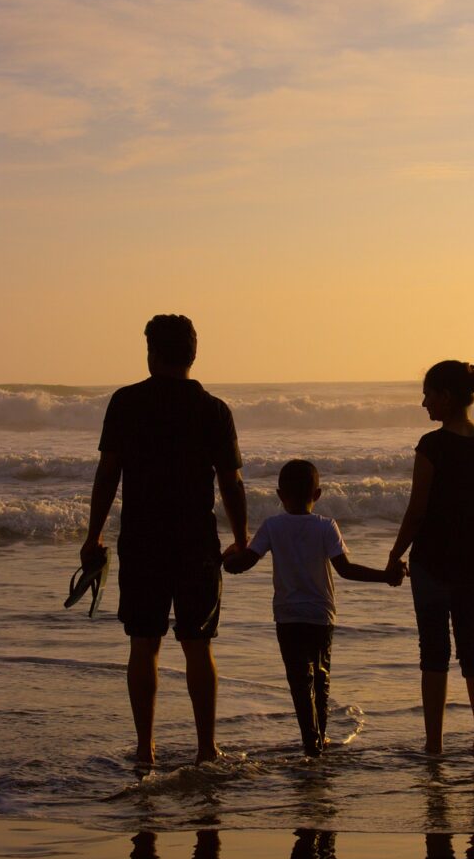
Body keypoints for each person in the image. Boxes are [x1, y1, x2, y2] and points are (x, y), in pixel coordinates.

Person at [80, 314, 248, 766]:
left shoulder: (126, 403)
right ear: (193, 354)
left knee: (144, 643)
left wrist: (93, 534)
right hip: (196, 540)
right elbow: (231, 483)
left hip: (142, 538)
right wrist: (242, 537)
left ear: (152, 353)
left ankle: (144, 748)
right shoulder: (213, 409)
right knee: (198, 644)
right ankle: (206, 748)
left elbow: (108, 473)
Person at [224, 459, 405, 757]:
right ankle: (319, 738)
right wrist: (385, 576)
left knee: (299, 681)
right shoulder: (325, 526)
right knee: (321, 678)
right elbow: (345, 570)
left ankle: (311, 743)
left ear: (280, 495)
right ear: (318, 494)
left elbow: (242, 564)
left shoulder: (272, 526)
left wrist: (223, 558)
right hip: (322, 616)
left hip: (288, 616)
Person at [387, 361, 474, 756]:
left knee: (433, 651)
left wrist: (394, 554)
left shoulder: (432, 445)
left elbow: (416, 510)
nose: (424, 403)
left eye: (428, 394)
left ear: (446, 396)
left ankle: (434, 743)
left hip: (433, 563)